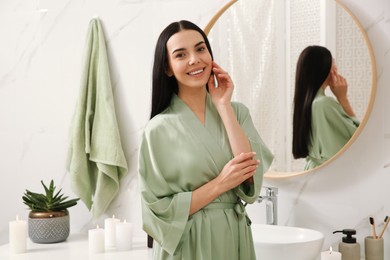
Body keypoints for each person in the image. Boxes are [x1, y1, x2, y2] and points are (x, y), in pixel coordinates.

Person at [137, 20, 273, 260]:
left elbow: (250, 178)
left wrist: (223, 106)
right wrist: (220, 183)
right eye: (181, 54)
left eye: (200, 49)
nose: (194, 59)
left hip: (233, 236)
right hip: (188, 242)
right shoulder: (158, 130)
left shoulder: (237, 113)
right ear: (167, 68)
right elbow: (158, 211)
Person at [292, 45, 360, 170]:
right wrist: (343, 99)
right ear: (326, 69)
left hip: (314, 171)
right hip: (330, 174)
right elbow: (359, 138)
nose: (336, 68)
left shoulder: (308, 103)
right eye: (333, 63)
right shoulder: (324, 104)